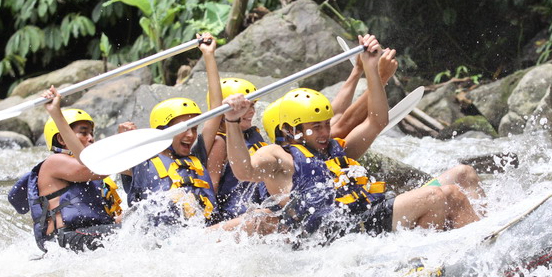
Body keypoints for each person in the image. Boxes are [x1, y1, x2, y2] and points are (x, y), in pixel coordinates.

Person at [212, 34, 483, 243]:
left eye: (325, 125)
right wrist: (233, 122)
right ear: (289, 130)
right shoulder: (279, 159)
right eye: (315, 127)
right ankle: (429, 263)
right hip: (341, 232)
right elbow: (244, 170)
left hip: (369, 215)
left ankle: (489, 241)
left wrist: (371, 70)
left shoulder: (335, 151)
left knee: (459, 180)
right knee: (437, 196)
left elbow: (377, 121)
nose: (324, 132)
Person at [121, 33, 223, 225]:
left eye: (194, 128)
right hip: (164, 242)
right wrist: (124, 142)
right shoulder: (141, 162)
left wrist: (209, 56)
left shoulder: (196, 156)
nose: (191, 135)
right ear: (162, 131)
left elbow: (216, 112)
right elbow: (90, 165)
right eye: (183, 129)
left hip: (201, 237)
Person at [8, 87, 122, 253]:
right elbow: (94, 167)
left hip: (89, 234)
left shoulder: (92, 173)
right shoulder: (55, 163)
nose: (91, 138)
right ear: (62, 138)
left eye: (91, 133)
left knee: (142, 222)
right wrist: (56, 113)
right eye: (83, 133)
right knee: (136, 233)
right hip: (66, 239)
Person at [206, 78, 268, 222]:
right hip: (235, 216)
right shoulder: (219, 143)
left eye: (253, 106)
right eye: (244, 108)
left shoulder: (253, 136)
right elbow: (211, 189)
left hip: (258, 206)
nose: (251, 111)